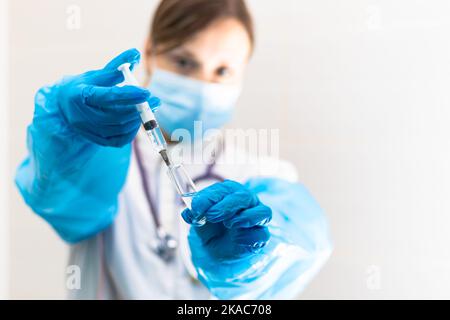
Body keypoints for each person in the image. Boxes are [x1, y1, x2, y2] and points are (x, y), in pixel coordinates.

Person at [15, 0, 332, 299]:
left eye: (222, 71)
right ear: (150, 52)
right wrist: (70, 139)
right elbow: (62, 204)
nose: (202, 85)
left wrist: (247, 258)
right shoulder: (99, 154)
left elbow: (304, 240)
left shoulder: (263, 173)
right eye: (183, 62)